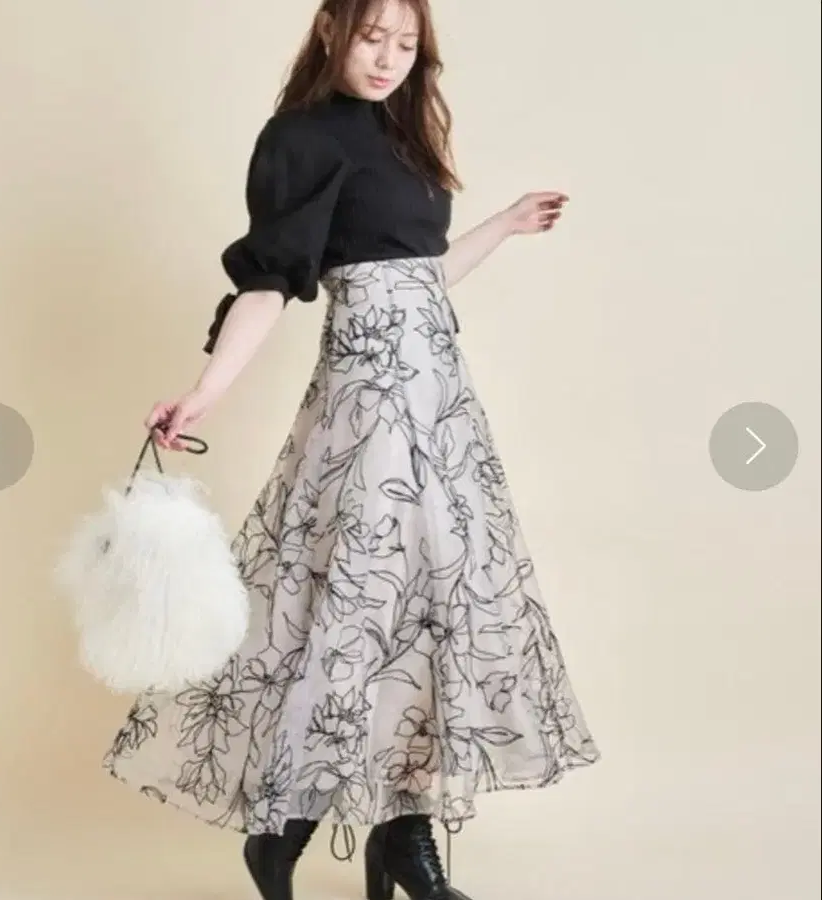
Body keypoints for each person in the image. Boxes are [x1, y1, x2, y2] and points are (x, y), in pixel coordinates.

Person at [102, 0, 601, 898]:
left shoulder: (406, 137)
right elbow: (269, 283)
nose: (389, 58)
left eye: (407, 45)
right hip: (369, 406)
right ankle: (283, 829)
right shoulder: (299, 138)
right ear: (332, 28)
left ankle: (403, 839)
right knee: (350, 606)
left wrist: (503, 224)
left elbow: (420, 277)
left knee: (434, 606)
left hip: (441, 408)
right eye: (374, 38)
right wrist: (205, 391)